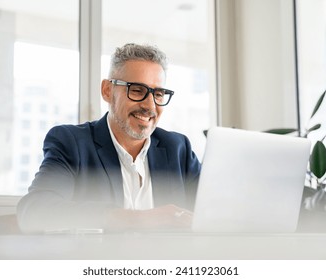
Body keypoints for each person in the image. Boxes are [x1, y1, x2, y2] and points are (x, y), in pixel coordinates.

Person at [17, 43, 201, 233]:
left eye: (159, 94)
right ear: (107, 90)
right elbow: (34, 212)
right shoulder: (72, 143)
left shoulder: (178, 149)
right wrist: (137, 220)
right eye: (137, 90)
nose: (150, 106)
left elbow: (214, 212)